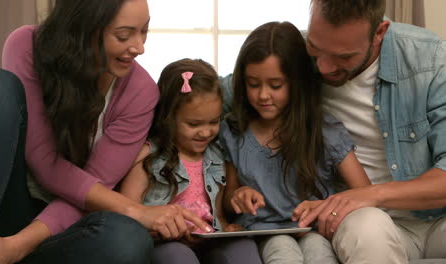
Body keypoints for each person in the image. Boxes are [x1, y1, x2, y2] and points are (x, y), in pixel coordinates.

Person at [0, 0, 210, 263]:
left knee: (128, 239)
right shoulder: (26, 45)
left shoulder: (141, 93)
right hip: (9, 207)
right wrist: (135, 210)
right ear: (84, 27)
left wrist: (17, 246)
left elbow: (91, 191)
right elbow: (45, 164)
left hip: (65, 229)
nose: (139, 47)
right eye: (124, 35)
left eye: (144, 30)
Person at [296, 0, 446, 263]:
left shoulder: (430, 59)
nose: (324, 67)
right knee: (368, 230)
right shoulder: (291, 55)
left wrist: (372, 194)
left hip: (438, 220)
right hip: (364, 221)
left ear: (379, 33)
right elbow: (215, 96)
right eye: (315, 48)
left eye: (344, 57)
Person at [219, 21, 371, 264]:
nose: (263, 95)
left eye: (275, 85)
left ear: (297, 82)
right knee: (282, 250)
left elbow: (365, 194)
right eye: (253, 84)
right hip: (263, 231)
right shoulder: (235, 130)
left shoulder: (323, 131)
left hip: (312, 230)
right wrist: (239, 195)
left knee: (319, 254)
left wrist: (325, 207)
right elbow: (228, 198)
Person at [120, 58, 262, 264]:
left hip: (208, 241)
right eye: (194, 124)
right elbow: (126, 213)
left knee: (243, 248)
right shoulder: (148, 156)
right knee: (178, 256)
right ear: (168, 117)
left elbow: (218, 214)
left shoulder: (217, 154)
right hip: (165, 245)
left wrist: (228, 223)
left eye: (214, 122)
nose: (206, 132)